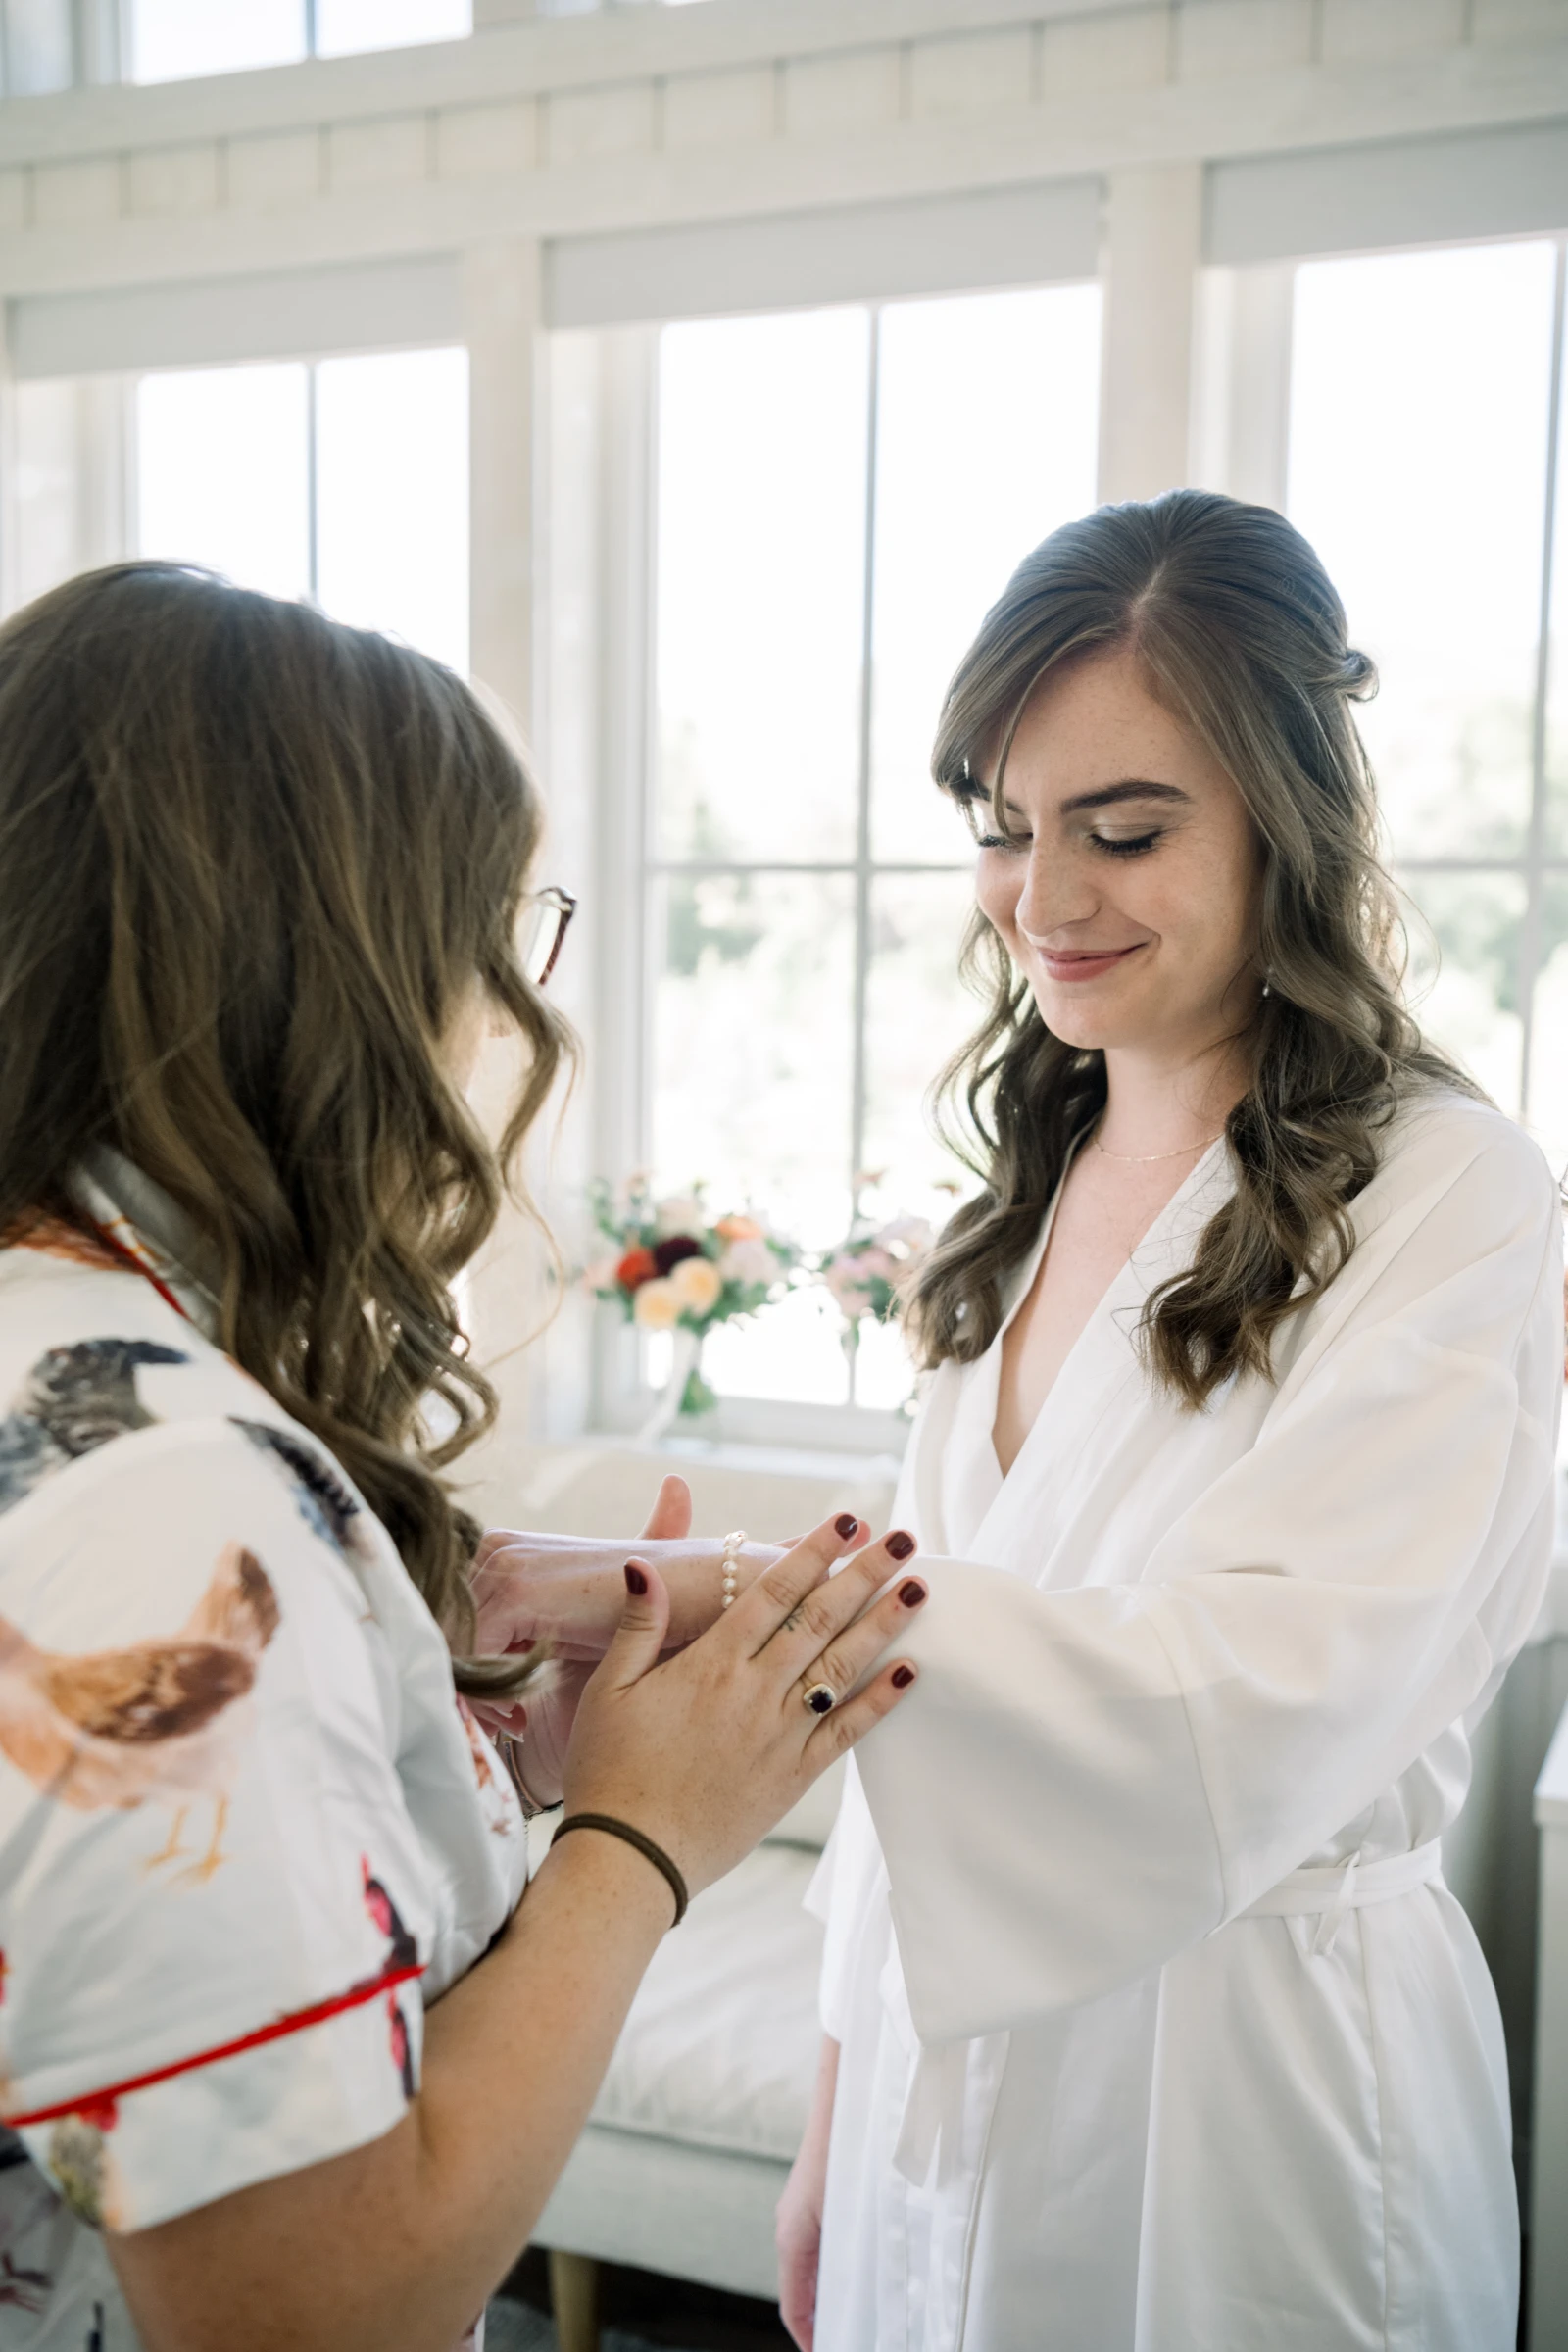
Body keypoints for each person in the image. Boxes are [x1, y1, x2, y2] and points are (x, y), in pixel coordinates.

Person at [0, 562, 926, 2352]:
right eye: (493, 940)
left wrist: (430, 1740)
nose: (501, 1014)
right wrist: (642, 1837)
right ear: (329, 977)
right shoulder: (173, 1509)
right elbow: (313, 2311)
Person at [753, 491, 1559, 2351]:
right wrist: (832, 2119)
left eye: (1123, 832)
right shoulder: (1033, 1176)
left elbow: (1262, 1691)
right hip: (935, 2077)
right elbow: (906, 1738)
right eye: (1003, 827)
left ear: (1289, 821)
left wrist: (757, 1606)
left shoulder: (1451, 1191)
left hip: (1251, 2098)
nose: (1043, 902)